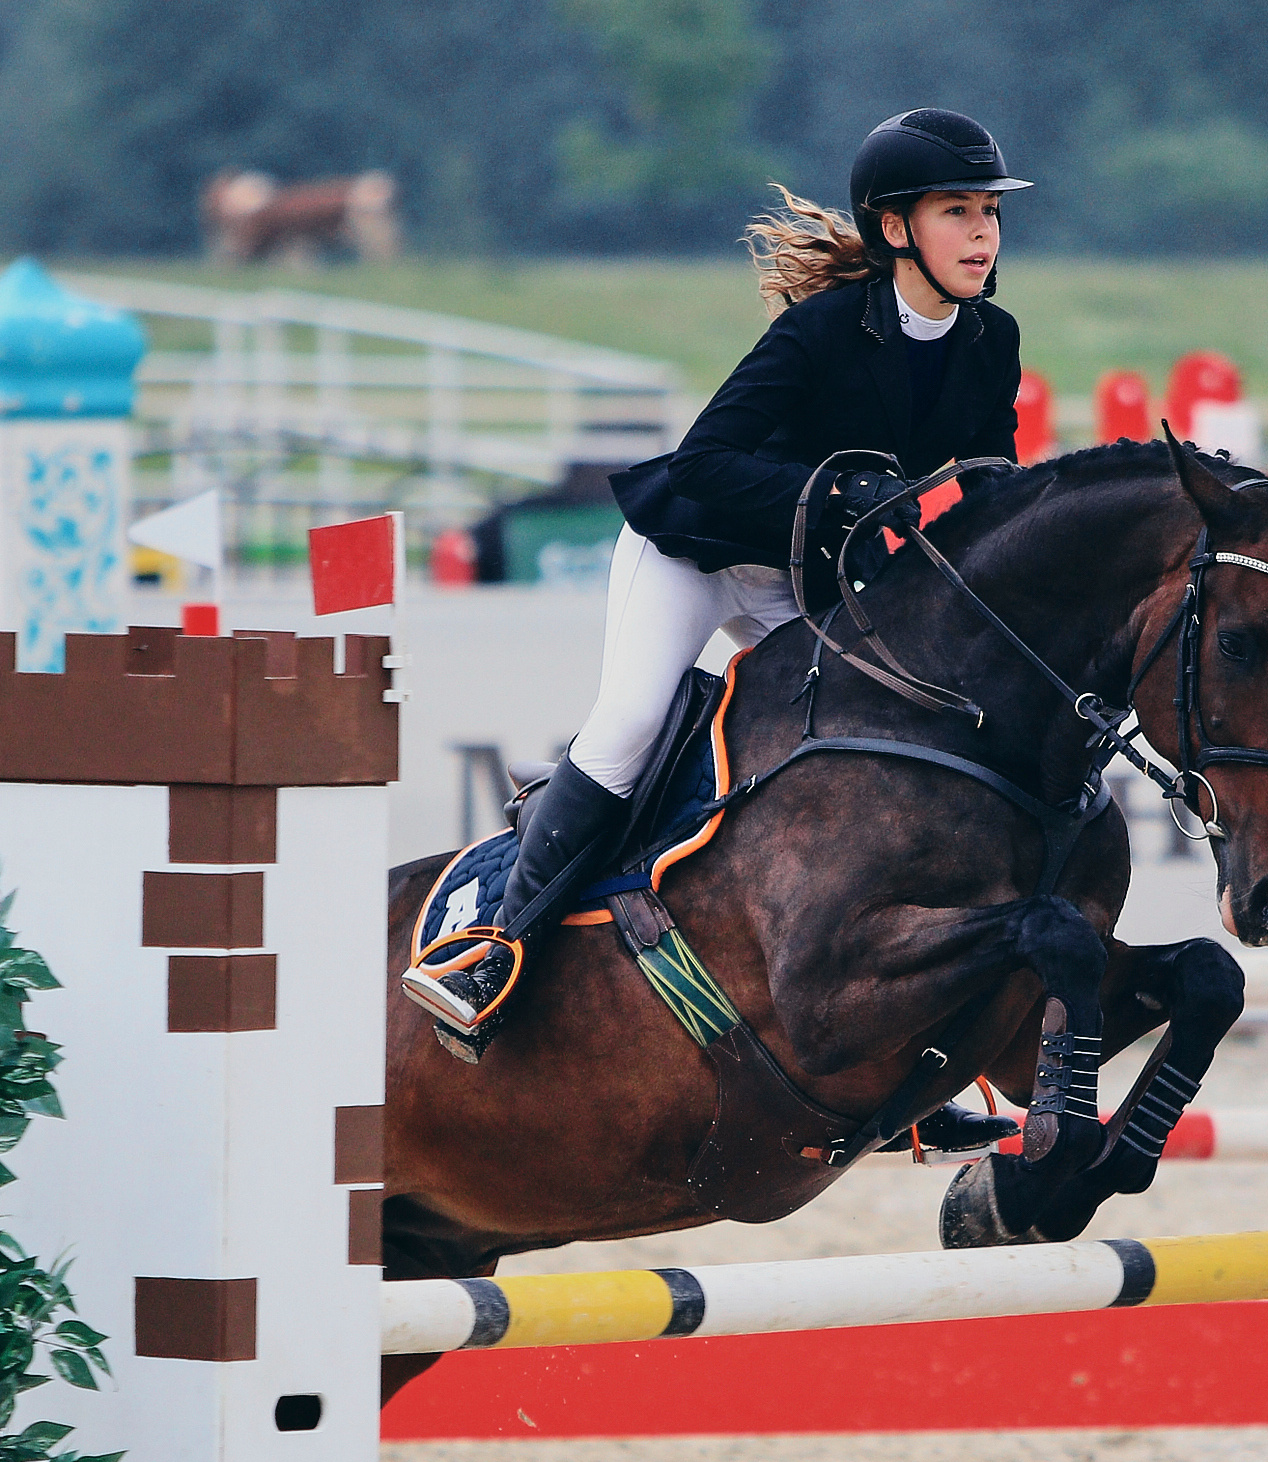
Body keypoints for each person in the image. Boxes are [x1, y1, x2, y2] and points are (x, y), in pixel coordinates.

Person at [403, 110, 1032, 1146]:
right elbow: (704, 464)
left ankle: (911, 1059)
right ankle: (491, 945)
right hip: (696, 552)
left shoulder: (989, 342)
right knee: (628, 725)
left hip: (806, 576)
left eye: (988, 216)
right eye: (956, 212)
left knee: (889, 755)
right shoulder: (822, 332)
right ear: (893, 230)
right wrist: (840, 492)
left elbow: (987, 490)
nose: (981, 235)